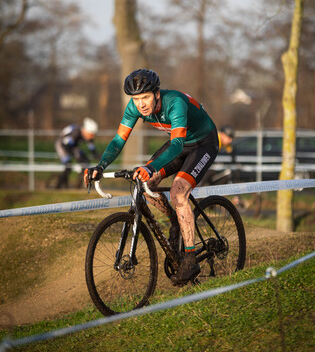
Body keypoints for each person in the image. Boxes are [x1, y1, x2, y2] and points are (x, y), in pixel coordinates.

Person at [84, 69, 220, 285]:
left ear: (157, 94)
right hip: (180, 143)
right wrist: (100, 166)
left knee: (178, 192)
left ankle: (191, 258)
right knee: (145, 183)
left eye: (145, 97)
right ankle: (175, 220)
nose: (141, 104)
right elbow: (119, 140)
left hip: (203, 143)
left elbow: (176, 144)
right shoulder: (134, 107)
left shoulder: (174, 101)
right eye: (136, 99)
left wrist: (152, 166)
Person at [55, 117, 99, 189]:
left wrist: (100, 158)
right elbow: (66, 146)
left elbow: (93, 150)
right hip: (62, 144)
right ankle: (58, 186)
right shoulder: (76, 132)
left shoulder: (88, 136)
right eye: (91, 135)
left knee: (85, 161)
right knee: (68, 165)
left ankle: (78, 185)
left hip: (72, 145)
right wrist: (75, 157)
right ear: (86, 131)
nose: (92, 137)